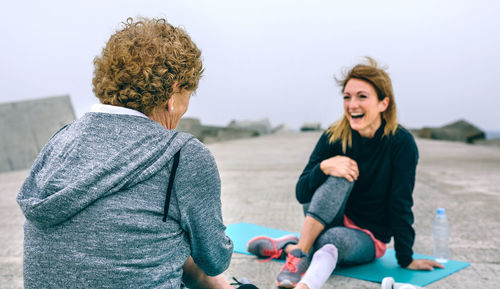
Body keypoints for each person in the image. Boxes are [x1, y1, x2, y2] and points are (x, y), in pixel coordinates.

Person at [17, 17, 235, 289]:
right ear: (174, 92)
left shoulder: (60, 141)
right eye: (189, 93)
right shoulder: (183, 156)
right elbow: (214, 260)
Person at [247, 57, 444, 288]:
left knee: (331, 241)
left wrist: (405, 258)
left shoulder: (401, 144)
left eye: (362, 96)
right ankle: (300, 251)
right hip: (326, 215)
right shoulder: (334, 136)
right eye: (347, 97)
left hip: (368, 236)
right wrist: (324, 167)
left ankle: (293, 248)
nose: (352, 105)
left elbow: (400, 203)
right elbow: (302, 194)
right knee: (340, 170)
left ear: (383, 103)